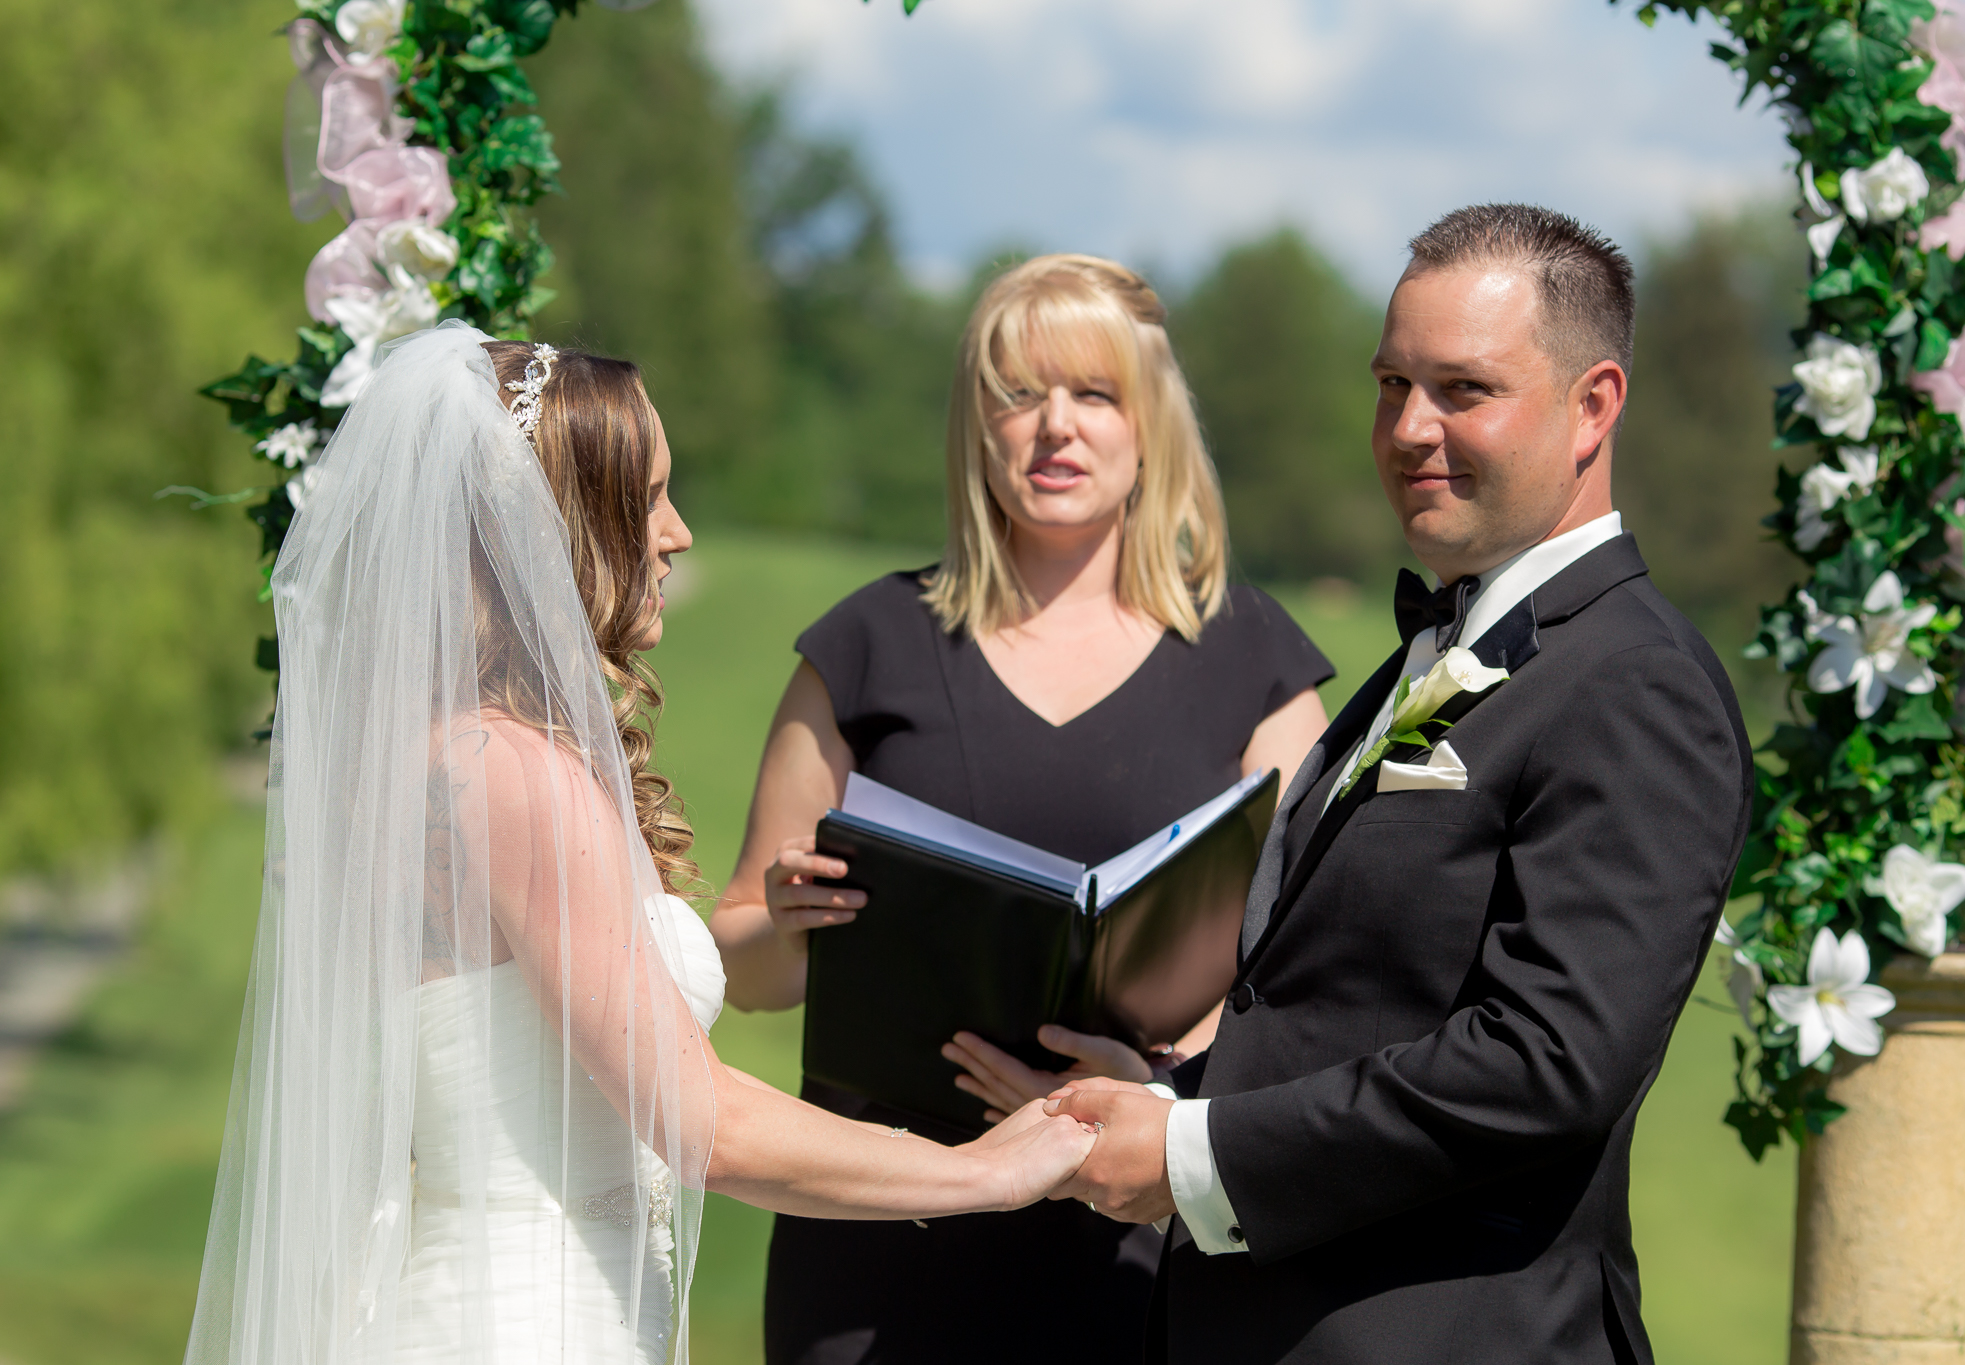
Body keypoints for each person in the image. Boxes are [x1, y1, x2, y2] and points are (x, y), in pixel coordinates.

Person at [182, 322, 1097, 1365]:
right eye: (649, 498)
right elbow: (704, 1120)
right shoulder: (506, 771)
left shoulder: (441, 757)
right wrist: (989, 1171)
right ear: (559, 522)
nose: (678, 533)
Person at [1047, 205, 1753, 1365]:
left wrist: (1195, 1157)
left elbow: (1547, 1064)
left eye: (1462, 390)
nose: (1409, 429)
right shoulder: (1435, 651)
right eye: (1390, 384)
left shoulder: (1633, 684)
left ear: (1593, 406)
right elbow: (1354, 1000)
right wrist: (1178, 1098)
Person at [707, 254, 1334, 1364]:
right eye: (1017, 395)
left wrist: (1151, 1080)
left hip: (1131, 1236)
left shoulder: (1257, 667)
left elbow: (1306, 982)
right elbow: (743, 970)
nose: (1055, 428)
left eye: (1093, 395)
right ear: (973, 427)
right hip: (875, 1240)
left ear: (1150, 428)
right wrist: (789, 923)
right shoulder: (862, 649)